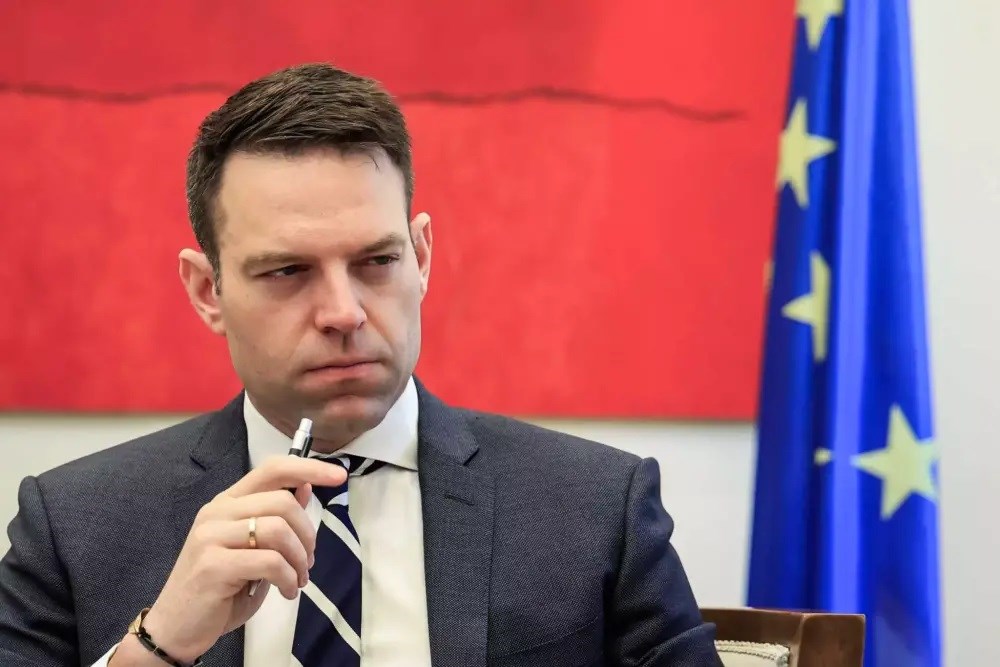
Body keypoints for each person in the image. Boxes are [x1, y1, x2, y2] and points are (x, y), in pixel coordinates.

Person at [0, 63, 722, 666]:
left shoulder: (596, 508)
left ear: (422, 257)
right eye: (287, 271)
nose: (343, 312)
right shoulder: (73, 526)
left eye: (376, 261)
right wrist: (157, 648)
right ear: (207, 291)